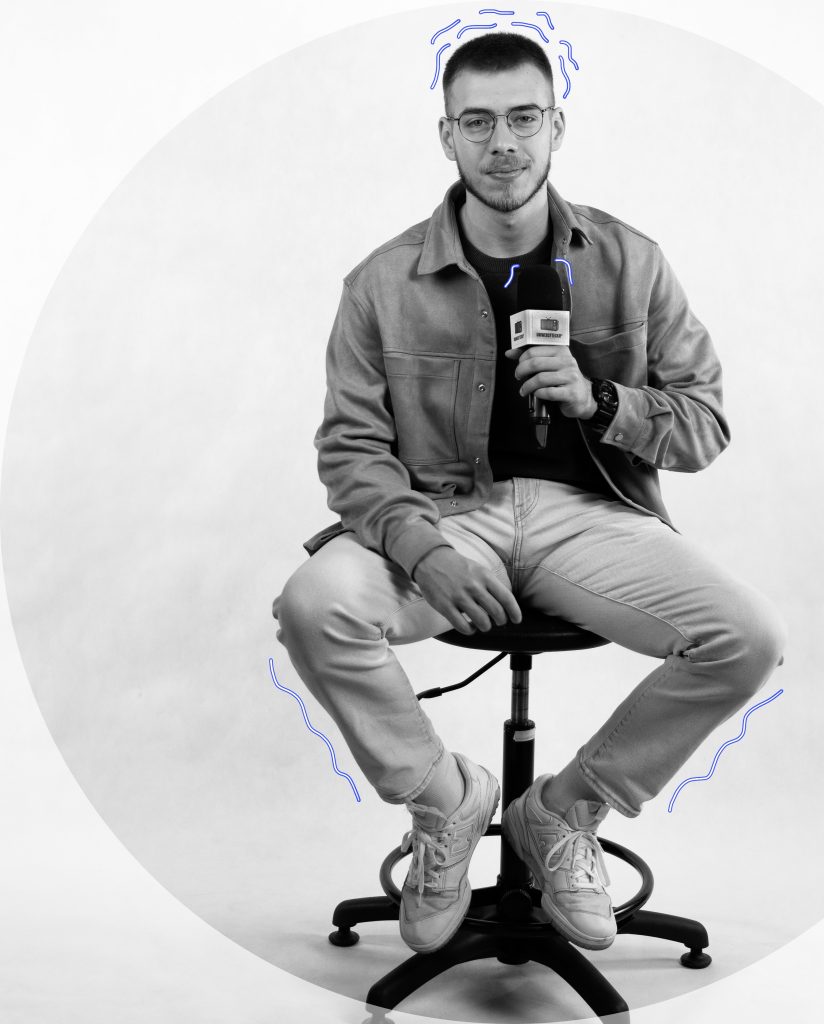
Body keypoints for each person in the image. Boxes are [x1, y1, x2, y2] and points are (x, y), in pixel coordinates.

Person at [272, 31, 785, 957]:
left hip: (589, 517)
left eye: (523, 118)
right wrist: (423, 549)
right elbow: (352, 452)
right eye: (477, 122)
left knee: (747, 638)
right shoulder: (382, 282)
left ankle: (563, 813)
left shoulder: (632, 260)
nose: (502, 143)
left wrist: (601, 400)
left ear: (557, 126)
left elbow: (704, 424)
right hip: (442, 516)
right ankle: (445, 803)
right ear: (447, 136)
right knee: (314, 606)